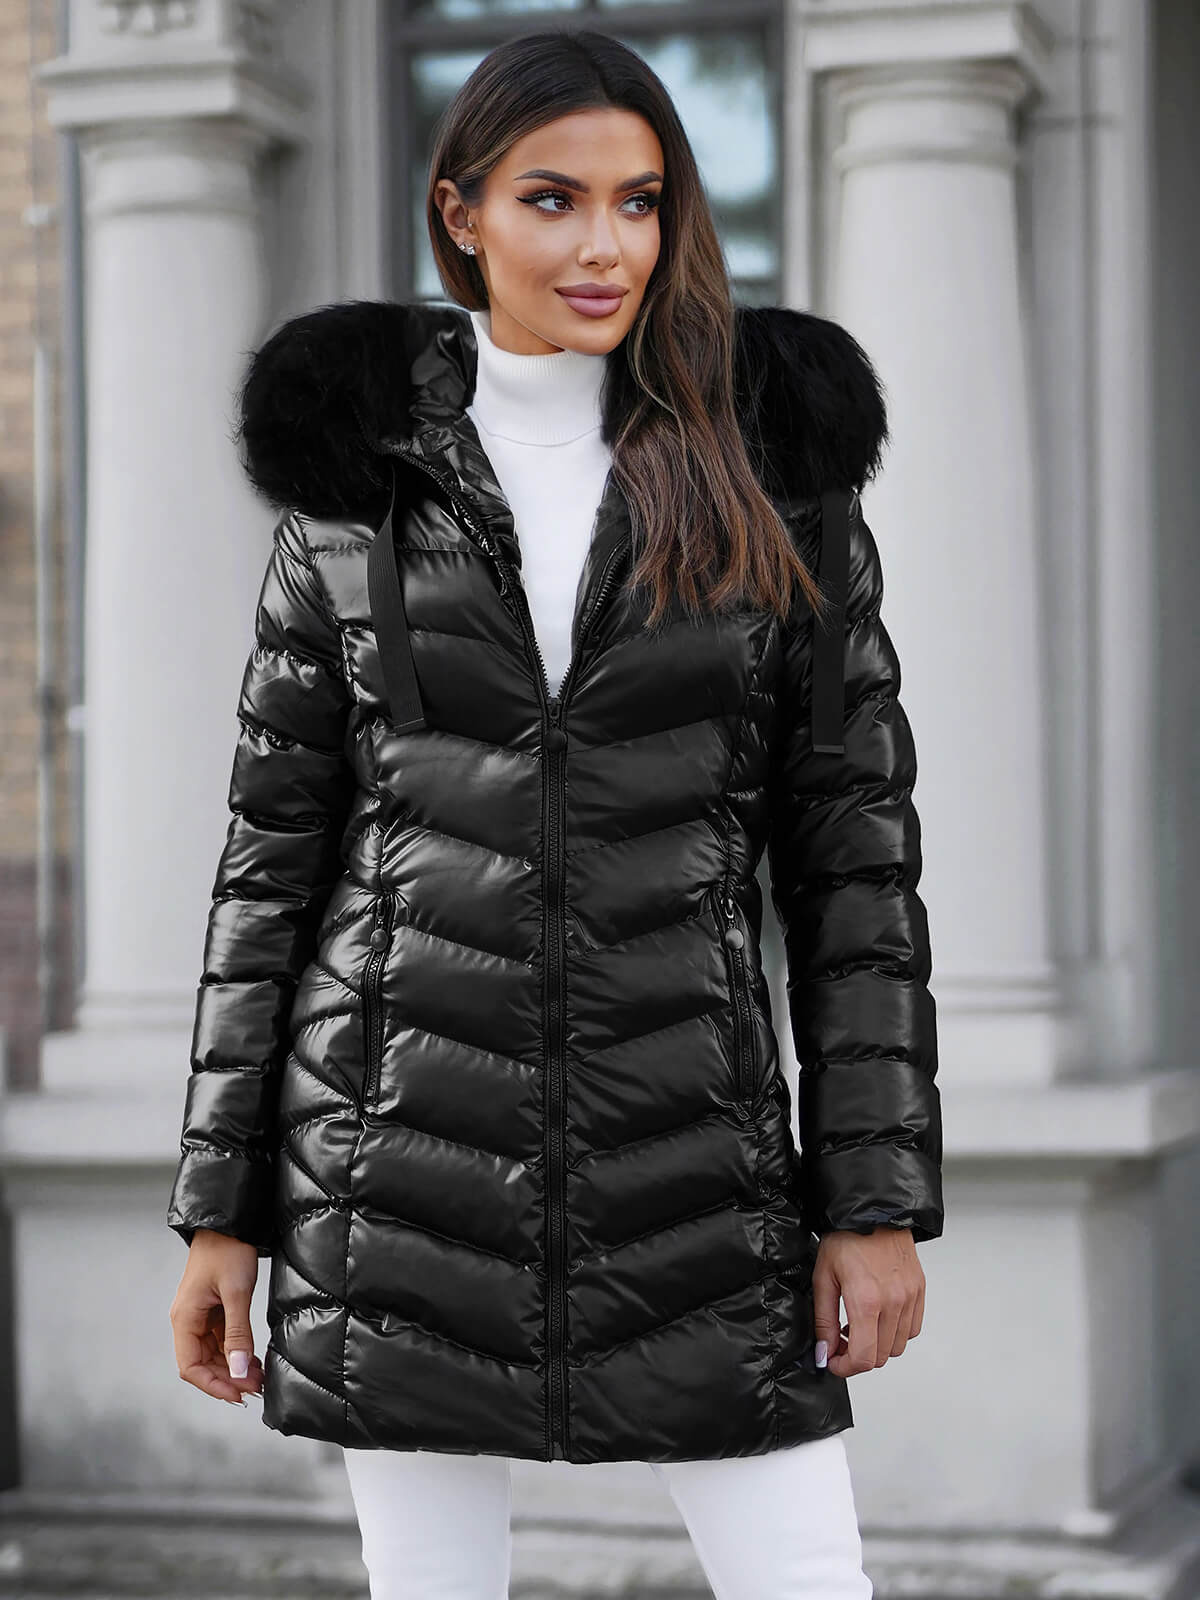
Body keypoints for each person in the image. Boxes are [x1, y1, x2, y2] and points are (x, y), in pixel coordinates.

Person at [166, 27, 943, 1600]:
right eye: (554, 199)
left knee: (808, 1578)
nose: (607, 246)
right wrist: (218, 1211)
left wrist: (873, 1200)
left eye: (641, 202)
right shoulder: (355, 490)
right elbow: (272, 869)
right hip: (393, 1163)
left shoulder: (777, 475)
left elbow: (854, 866)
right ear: (461, 213)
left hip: (697, 1162)